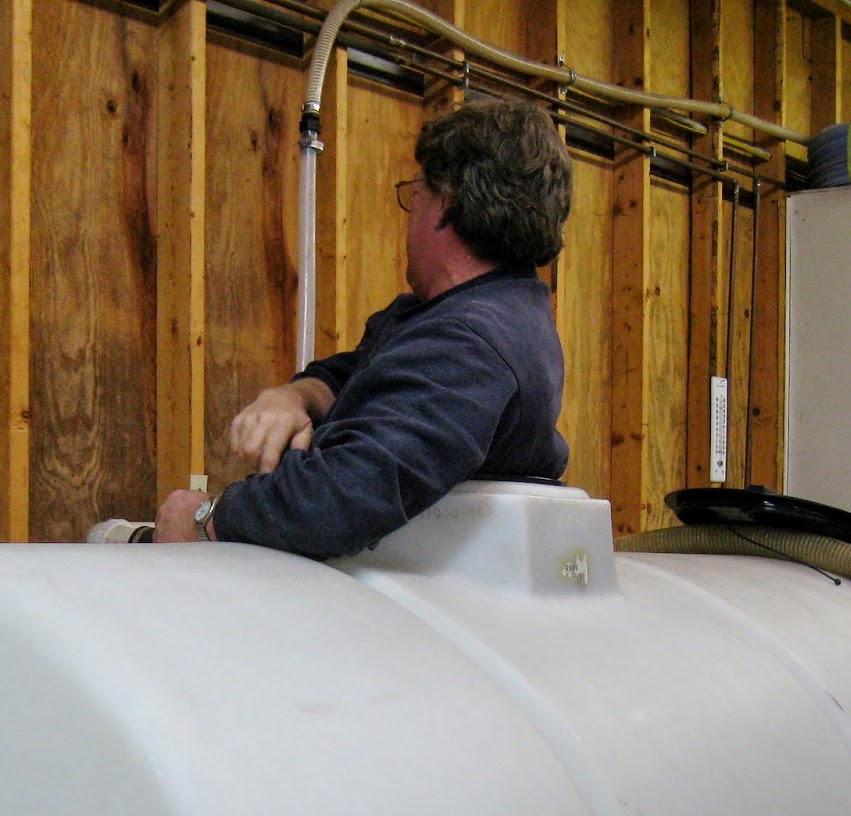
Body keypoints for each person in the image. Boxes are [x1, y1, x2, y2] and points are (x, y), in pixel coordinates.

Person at [154, 98, 573, 558]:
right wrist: (294, 397)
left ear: (444, 205)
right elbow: (354, 375)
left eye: (416, 194)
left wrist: (207, 519)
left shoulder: (471, 343)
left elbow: (340, 498)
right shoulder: (462, 315)